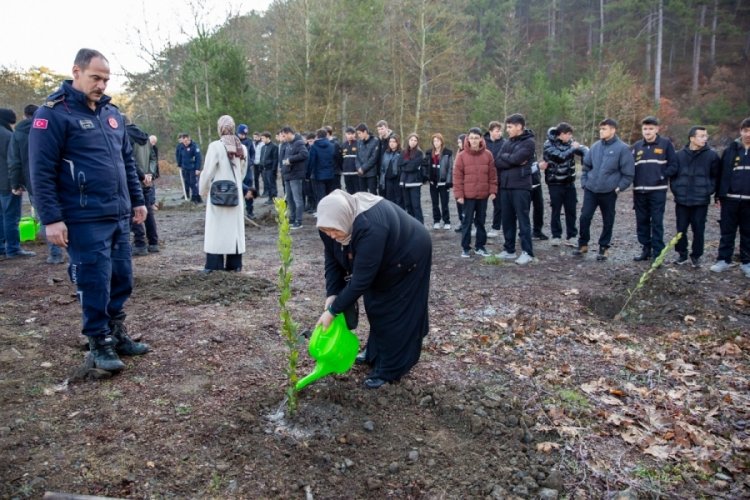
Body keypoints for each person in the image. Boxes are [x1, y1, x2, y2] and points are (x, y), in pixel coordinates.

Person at [29, 48, 149, 372]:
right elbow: (40, 171)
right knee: (94, 279)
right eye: (96, 77)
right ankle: (98, 342)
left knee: (121, 276)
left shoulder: (112, 115)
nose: (101, 85)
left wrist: (137, 200)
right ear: (76, 72)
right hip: (83, 217)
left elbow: (126, 162)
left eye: (106, 79)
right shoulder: (53, 113)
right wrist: (51, 219)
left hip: (118, 214)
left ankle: (116, 332)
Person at [315, 189, 432, 389]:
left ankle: (390, 369)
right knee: (375, 305)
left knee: (394, 311)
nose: (332, 236)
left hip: (408, 254)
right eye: (327, 231)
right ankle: (375, 353)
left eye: (334, 231)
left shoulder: (370, 227)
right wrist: (332, 294)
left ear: (345, 219)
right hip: (384, 257)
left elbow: (361, 281)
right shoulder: (331, 223)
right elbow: (332, 261)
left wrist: (333, 311)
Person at [574, 118, 635, 261]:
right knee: (585, 217)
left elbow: (628, 173)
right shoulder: (595, 147)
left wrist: (619, 188)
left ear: (613, 130)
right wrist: (584, 182)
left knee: (608, 219)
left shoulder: (623, 149)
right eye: (600, 129)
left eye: (604, 129)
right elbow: (586, 166)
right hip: (591, 189)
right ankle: (583, 244)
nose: (601, 131)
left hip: (609, 191)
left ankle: (604, 247)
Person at [198, 115, 248, 272]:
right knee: (235, 230)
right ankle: (235, 265)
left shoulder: (215, 146)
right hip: (236, 194)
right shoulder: (242, 147)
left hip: (218, 194)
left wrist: (203, 189)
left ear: (220, 128)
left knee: (216, 230)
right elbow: (243, 172)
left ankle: (214, 265)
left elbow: (207, 171)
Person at [670, 126, 720, 267]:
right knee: (681, 229)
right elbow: (673, 176)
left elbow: (716, 177)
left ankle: (696, 256)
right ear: (692, 138)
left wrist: (708, 190)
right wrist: (677, 190)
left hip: (700, 200)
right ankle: (682, 254)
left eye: (706, 136)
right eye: (702, 136)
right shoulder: (679, 155)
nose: (705, 138)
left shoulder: (712, 156)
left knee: (699, 229)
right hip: (682, 200)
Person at [631, 116, 678, 261]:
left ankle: (658, 253)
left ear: (657, 129)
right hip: (639, 191)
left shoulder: (665, 144)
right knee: (642, 221)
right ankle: (646, 249)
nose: (648, 132)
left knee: (657, 222)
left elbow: (674, 165)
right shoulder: (637, 146)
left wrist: (662, 176)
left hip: (657, 191)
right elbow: (629, 167)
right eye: (645, 129)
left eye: (651, 129)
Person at [710, 117, 750, 277]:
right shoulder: (730, 150)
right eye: (746, 130)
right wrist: (718, 195)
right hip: (730, 199)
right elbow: (721, 174)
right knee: (727, 231)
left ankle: (747, 262)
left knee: (748, 232)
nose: (748, 134)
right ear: (741, 132)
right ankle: (723, 260)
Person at [495, 113, 536, 265]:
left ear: (519, 126)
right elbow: (497, 161)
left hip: (521, 186)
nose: (507, 130)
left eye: (510, 127)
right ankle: (509, 250)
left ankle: (527, 252)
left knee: (523, 219)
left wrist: (510, 159)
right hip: (505, 186)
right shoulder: (507, 143)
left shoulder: (529, 143)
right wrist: (510, 159)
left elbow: (517, 159)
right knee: (507, 219)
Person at [540, 123, 588, 246]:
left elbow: (582, 149)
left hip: (569, 182)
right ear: (562, 134)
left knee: (571, 209)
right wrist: (573, 148)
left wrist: (586, 155)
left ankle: (571, 236)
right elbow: (559, 157)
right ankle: (556, 235)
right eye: (568, 134)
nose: (570, 137)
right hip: (555, 182)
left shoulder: (570, 142)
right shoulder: (548, 144)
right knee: (556, 210)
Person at [453, 127, 497, 258]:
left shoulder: (488, 155)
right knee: (467, 222)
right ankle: (465, 247)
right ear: (468, 139)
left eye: (476, 138)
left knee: (481, 221)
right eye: (471, 138)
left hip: (483, 195)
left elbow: (492, 175)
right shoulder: (461, 156)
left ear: (481, 139)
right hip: (467, 196)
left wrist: (493, 190)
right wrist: (459, 195)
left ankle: (480, 246)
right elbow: (457, 177)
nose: (474, 141)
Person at [3, 106, 38, 260]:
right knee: (11, 216)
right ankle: (13, 248)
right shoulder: (7, 135)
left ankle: (2, 246)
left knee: (2, 216)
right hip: (7, 181)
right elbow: (14, 160)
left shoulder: (12, 133)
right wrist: (16, 183)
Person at [124, 115, 159, 256]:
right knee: (148, 211)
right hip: (146, 180)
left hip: (134, 180)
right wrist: (149, 173)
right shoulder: (145, 137)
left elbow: (130, 160)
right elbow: (153, 157)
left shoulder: (125, 137)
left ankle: (140, 244)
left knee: (135, 210)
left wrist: (142, 175)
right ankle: (153, 243)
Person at [279, 125, 308, 229]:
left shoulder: (299, 142)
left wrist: (290, 160)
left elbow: (304, 154)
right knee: (289, 198)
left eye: (284, 135)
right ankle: (292, 218)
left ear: (289, 133)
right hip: (287, 175)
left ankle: (299, 221)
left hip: (296, 175)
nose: (283, 138)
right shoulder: (287, 144)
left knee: (297, 199)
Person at [424, 133, 453, 230]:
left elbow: (450, 168)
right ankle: (436, 221)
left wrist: (449, 181)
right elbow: (425, 166)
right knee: (434, 203)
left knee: (444, 203)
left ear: (441, 141)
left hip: (443, 182)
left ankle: (447, 221)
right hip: (433, 182)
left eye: (438, 141)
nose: (436, 143)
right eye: (434, 141)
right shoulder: (429, 153)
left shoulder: (447, 153)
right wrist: (427, 177)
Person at [307, 128, 337, 210]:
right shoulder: (332, 146)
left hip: (318, 175)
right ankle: (329, 212)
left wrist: (307, 175)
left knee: (320, 196)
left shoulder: (314, 147)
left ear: (317, 136)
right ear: (326, 136)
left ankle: (321, 212)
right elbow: (335, 159)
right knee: (329, 195)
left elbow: (311, 162)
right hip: (330, 174)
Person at [484, 121, 505, 238]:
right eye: (497, 131)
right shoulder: (482, 142)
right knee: (480, 204)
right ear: (490, 131)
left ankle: (496, 227)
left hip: (498, 179)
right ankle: (478, 226)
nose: (500, 133)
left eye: (501, 131)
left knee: (498, 205)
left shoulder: (505, 143)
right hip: (483, 178)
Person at [399, 133, 425, 223]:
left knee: (416, 205)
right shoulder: (403, 152)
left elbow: (412, 167)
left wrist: (406, 164)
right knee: (408, 205)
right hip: (404, 183)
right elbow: (400, 164)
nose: (413, 142)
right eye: (411, 140)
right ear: (408, 141)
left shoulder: (419, 153)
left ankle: (420, 224)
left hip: (415, 182)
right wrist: (408, 163)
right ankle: (411, 225)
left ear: (417, 142)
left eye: (415, 140)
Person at [237, 124, 256, 220]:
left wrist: (251, 161)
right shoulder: (234, 141)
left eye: (245, 134)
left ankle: (250, 211)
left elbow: (253, 153)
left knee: (249, 190)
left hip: (247, 171)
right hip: (238, 171)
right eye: (241, 134)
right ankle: (238, 212)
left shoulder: (249, 141)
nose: (243, 136)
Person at [176, 132, 202, 203]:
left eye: (186, 141)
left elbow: (198, 158)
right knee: (187, 182)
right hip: (185, 168)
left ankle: (195, 197)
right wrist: (179, 165)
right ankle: (194, 196)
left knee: (193, 182)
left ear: (189, 139)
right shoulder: (181, 146)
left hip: (193, 168)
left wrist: (198, 169)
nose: (185, 143)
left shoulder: (194, 146)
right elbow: (179, 156)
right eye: (184, 141)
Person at [355, 123, 379, 194]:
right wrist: (359, 168)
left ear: (365, 132)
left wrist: (363, 168)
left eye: (359, 133)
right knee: (362, 194)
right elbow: (357, 157)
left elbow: (374, 158)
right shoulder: (359, 142)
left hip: (371, 173)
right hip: (361, 174)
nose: (358, 136)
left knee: (372, 194)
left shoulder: (375, 141)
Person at [379, 134, 403, 207]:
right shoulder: (386, 153)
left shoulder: (401, 153)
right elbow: (383, 167)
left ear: (397, 143)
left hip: (397, 180)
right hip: (388, 179)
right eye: (390, 142)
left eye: (394, 141)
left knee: (399, 200)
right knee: (389, 200)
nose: (391, 143)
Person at [259, 131, 279, 205]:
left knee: (272, 184)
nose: (262, 140)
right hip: (264, 169)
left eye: (263, 138)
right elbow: (261, 158)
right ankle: (270, 198)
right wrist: (260, 167)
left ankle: (274, 198)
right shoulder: (263, 147)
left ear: (268, 138)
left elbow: (275, 159)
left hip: (270, 169)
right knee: (267, 184)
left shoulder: (274, 147)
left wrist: (274, 169)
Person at [341, 126, 359, 194]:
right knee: (349, 192)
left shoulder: (358, 144)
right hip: (346, 173)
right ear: (345, 134)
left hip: (356, 174)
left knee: (357, 192)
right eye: (348, 134)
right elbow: (341, 159)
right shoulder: (343, 145)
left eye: (352, 134)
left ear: (355, 134)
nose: (350, 136)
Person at [454, 133, 466, 233]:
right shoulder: (458, 153)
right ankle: (461, 221)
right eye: (458, 142)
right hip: (458, 183)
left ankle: (467, 222)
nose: (459, 144)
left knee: (466, 206)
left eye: (460, 142)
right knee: (459, 204)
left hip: (466, 184)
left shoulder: (467, 153)